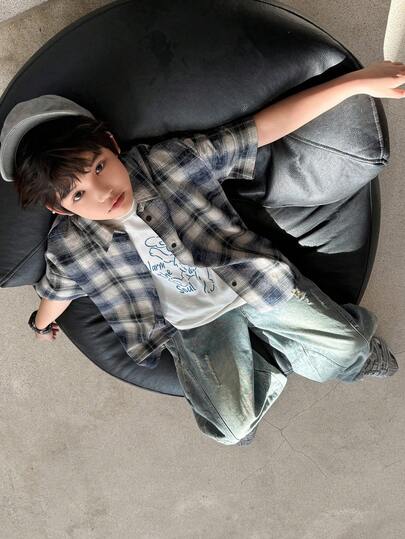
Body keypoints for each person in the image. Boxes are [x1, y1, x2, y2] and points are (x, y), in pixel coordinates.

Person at [1, 60, 403, 447]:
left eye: (100, 167)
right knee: (231, 429)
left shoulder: (168, 162)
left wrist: (356, 83)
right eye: (78, 195)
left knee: (352, 347)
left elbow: (260, 130)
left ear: (110, 145)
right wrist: (40, 324)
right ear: (59, 208)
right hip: (194, 326)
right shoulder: (70, 246)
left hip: (249, 282)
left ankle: (336, 357)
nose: (103, 193)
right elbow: (58, 290)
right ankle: (268, 361)